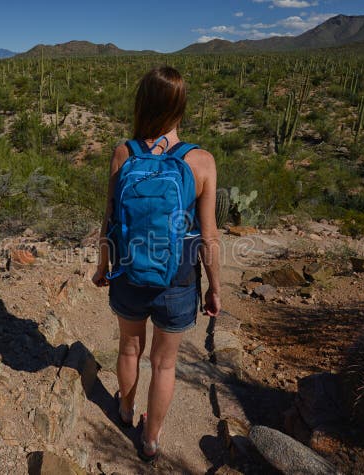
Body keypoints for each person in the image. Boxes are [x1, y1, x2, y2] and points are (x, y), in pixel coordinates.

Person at [92, 66, 222, 462]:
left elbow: (110, 221)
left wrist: (102, 266)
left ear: (142, 103)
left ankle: (126, 411)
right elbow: (209, 235)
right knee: (164, 365)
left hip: (129, 273)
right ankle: (150, 440)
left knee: (129, 349)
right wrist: (215, 286)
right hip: (178, 281)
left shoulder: (123, 153)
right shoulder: (201, 161)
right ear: (181, 106)